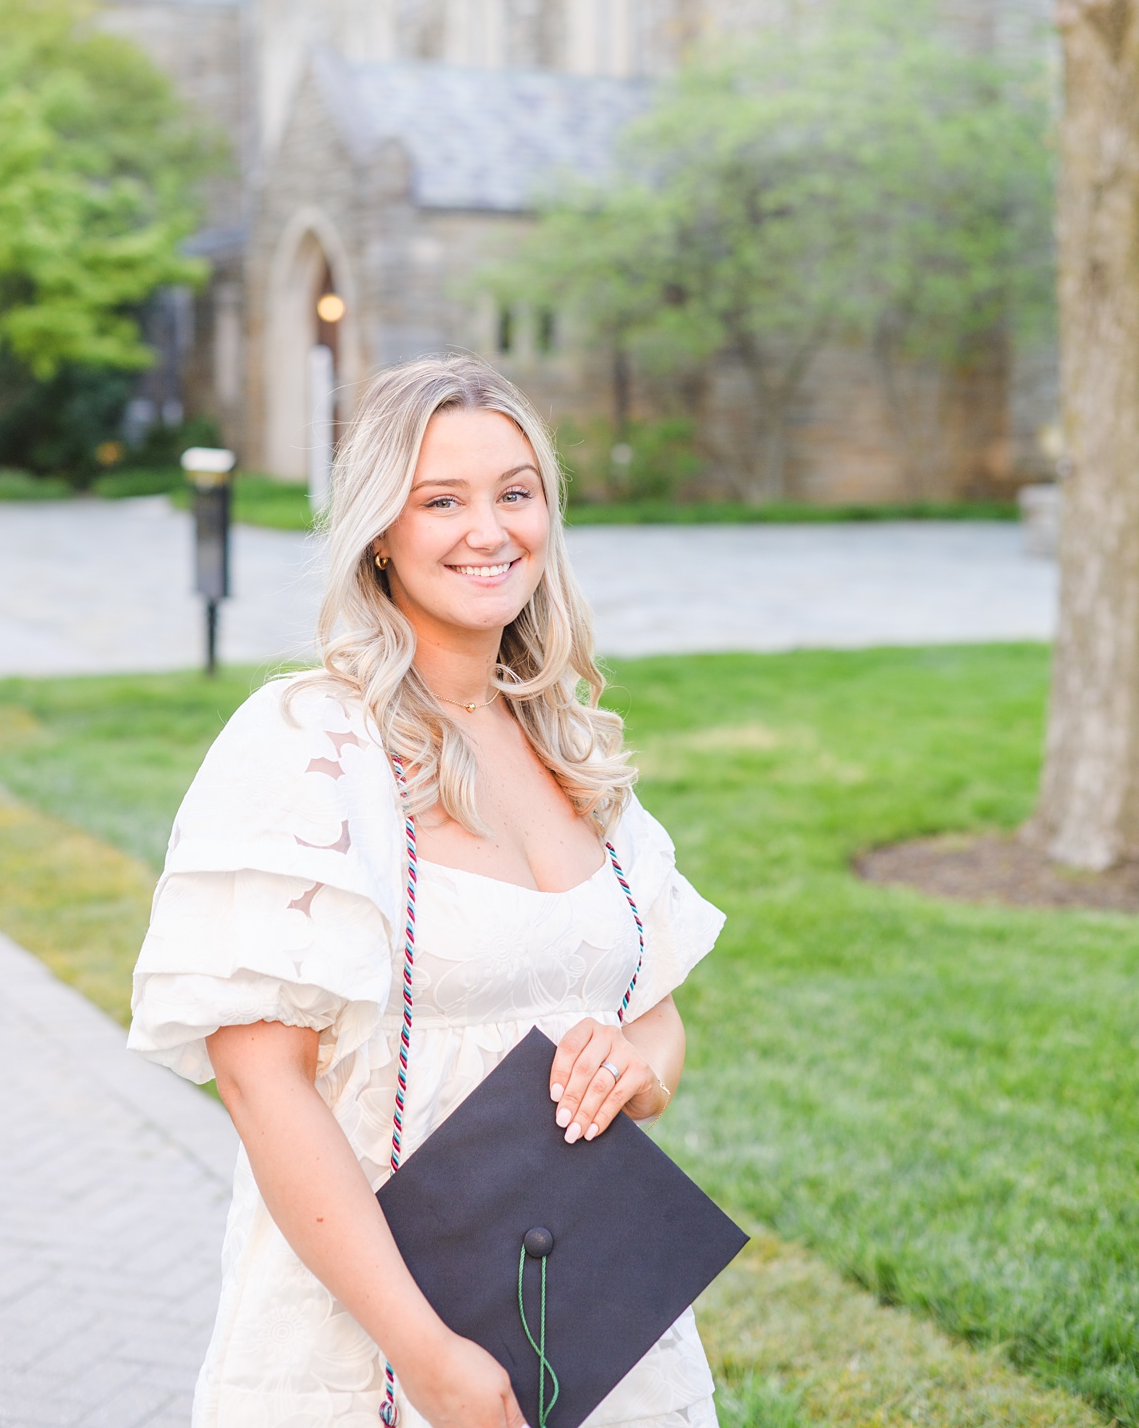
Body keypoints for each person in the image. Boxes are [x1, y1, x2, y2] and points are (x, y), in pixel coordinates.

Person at [129, 354, 727, 1428]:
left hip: (588, 1309)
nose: (487, 531)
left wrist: (632, 1065)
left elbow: (657, 1014)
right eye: (439, 500)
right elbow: (263, 1083)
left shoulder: (569, 744)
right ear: (378, 533)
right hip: (381, 1336)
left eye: (515, 492)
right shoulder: (311, 743)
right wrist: (427, 1354)